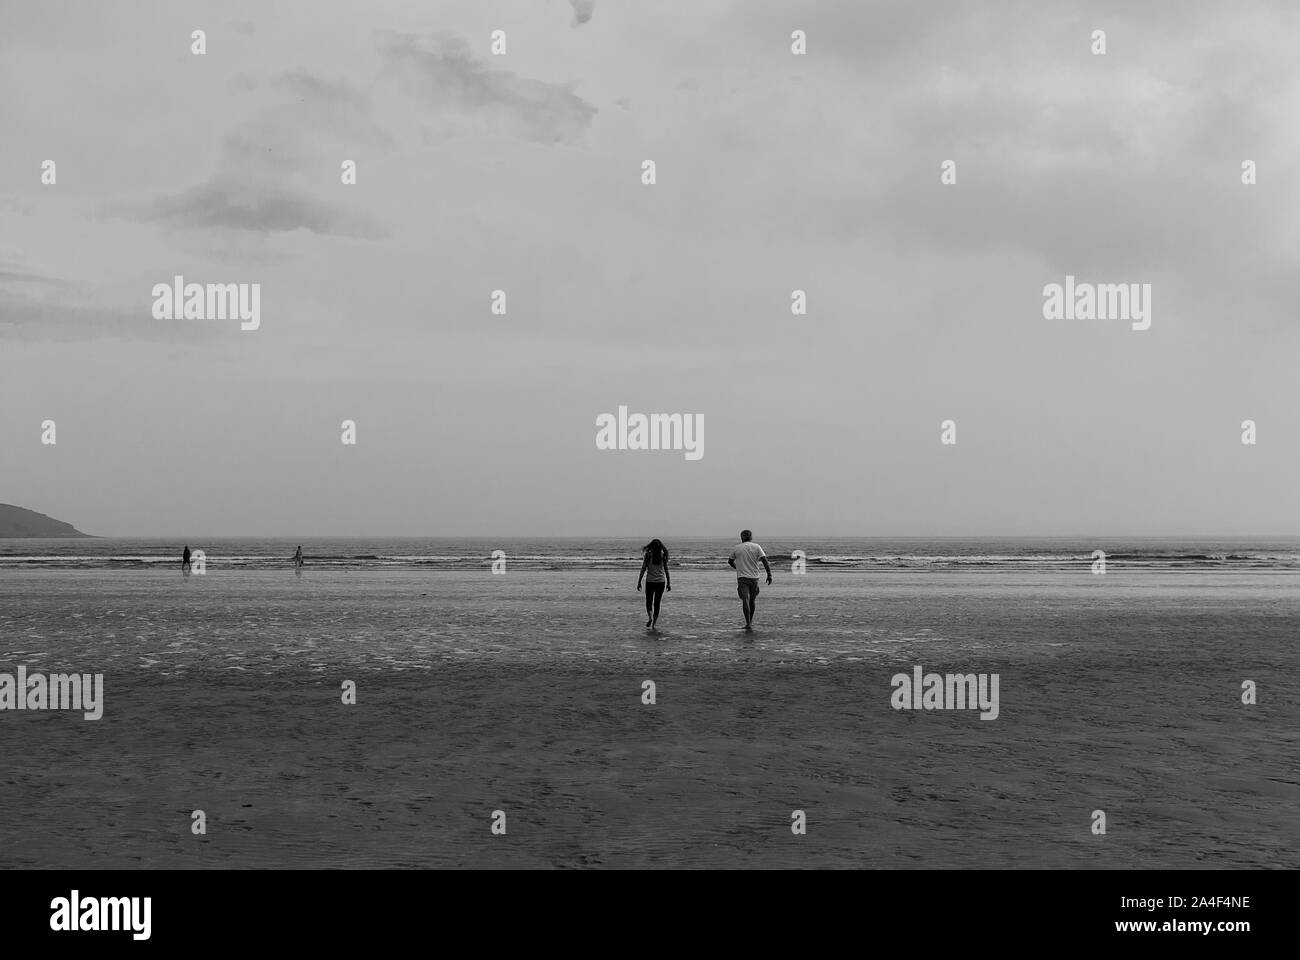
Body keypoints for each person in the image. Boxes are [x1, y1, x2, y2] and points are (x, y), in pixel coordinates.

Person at [728, 529, 771, 631]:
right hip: (754, 578)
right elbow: (764, 560)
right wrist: (769, 574)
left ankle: (748, 623)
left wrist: (737, 568)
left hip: (743, 577)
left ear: (741, 537)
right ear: (751, 537)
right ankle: (750, 622)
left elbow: (730, 561)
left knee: (745, 600)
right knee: (752, 600)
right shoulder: (757, 547)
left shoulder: (737, 548)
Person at [636, 538, 671, 629]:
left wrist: (639, 581)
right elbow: (666, 570)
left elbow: (643, 569)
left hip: (650, 582)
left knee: (649, 602)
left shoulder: (648, 555)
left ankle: (650, 617)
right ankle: (654, 624)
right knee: (657, 603)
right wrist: (669, 583)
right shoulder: (663, 556)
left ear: (651, 546)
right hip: (661, 582)